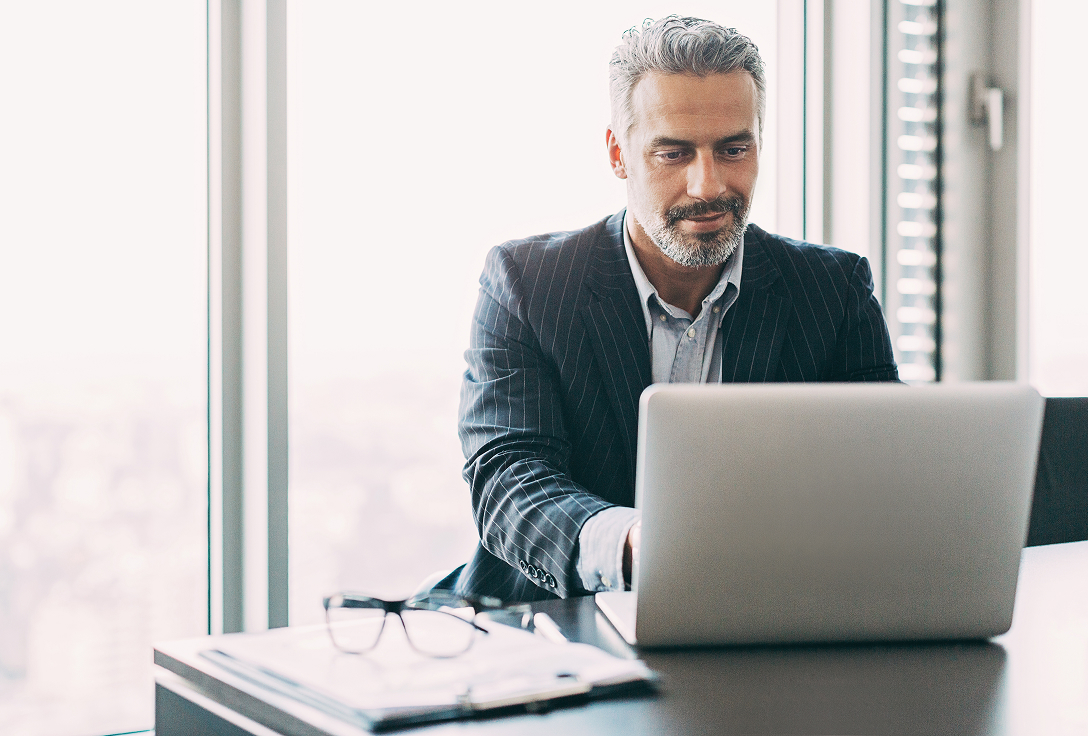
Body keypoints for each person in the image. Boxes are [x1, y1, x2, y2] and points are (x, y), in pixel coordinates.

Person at [453, 16, 899, 603]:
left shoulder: (834, 289)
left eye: (733, 149)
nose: (707, 185)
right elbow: (509, 480)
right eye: (674, 153)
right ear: (619, 153)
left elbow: (886, 477)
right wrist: (636, 544)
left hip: (774, 621)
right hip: (559, 626)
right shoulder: (528, 284)